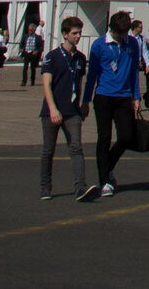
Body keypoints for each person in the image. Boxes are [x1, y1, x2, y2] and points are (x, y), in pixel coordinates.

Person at [82, 10, 144, 198]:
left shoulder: (132, 43)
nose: (124, 37)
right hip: (104, 96)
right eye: (120, 34)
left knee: (126, 136)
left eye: (126, 33)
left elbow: (134, 71)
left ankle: (107, 165)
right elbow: (92, 75)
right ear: (112, 30)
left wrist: (136, 96)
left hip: (124, 96)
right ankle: (105, 181)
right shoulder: (99, 45)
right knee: (104, 138)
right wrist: (85, 100)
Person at [40, 16, 93, 202]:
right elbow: (46, 84)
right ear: (65, 34)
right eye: (74, 33)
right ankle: (45, 186)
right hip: (52, 110)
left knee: (76, 148)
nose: (78, 36)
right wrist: (53, 109)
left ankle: (80, 187)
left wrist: (84, 104)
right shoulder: (52, 57)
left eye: (79, 33)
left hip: (72, 111)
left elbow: (79, 83)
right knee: (48, 150)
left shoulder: (80, 58)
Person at [20, 21, 44, 87]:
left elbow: (41, 46)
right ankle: (24, 81)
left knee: (33, 68)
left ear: (34, 30)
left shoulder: (38, 37)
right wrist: (21, 48)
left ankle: (32, 81)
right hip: (26, 53)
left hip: (33, 54)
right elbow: (22, 43)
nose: (30, 31)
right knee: (25, 68)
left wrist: (37, 51)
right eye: (29, 29)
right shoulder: (26, 36)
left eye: (31, 30)